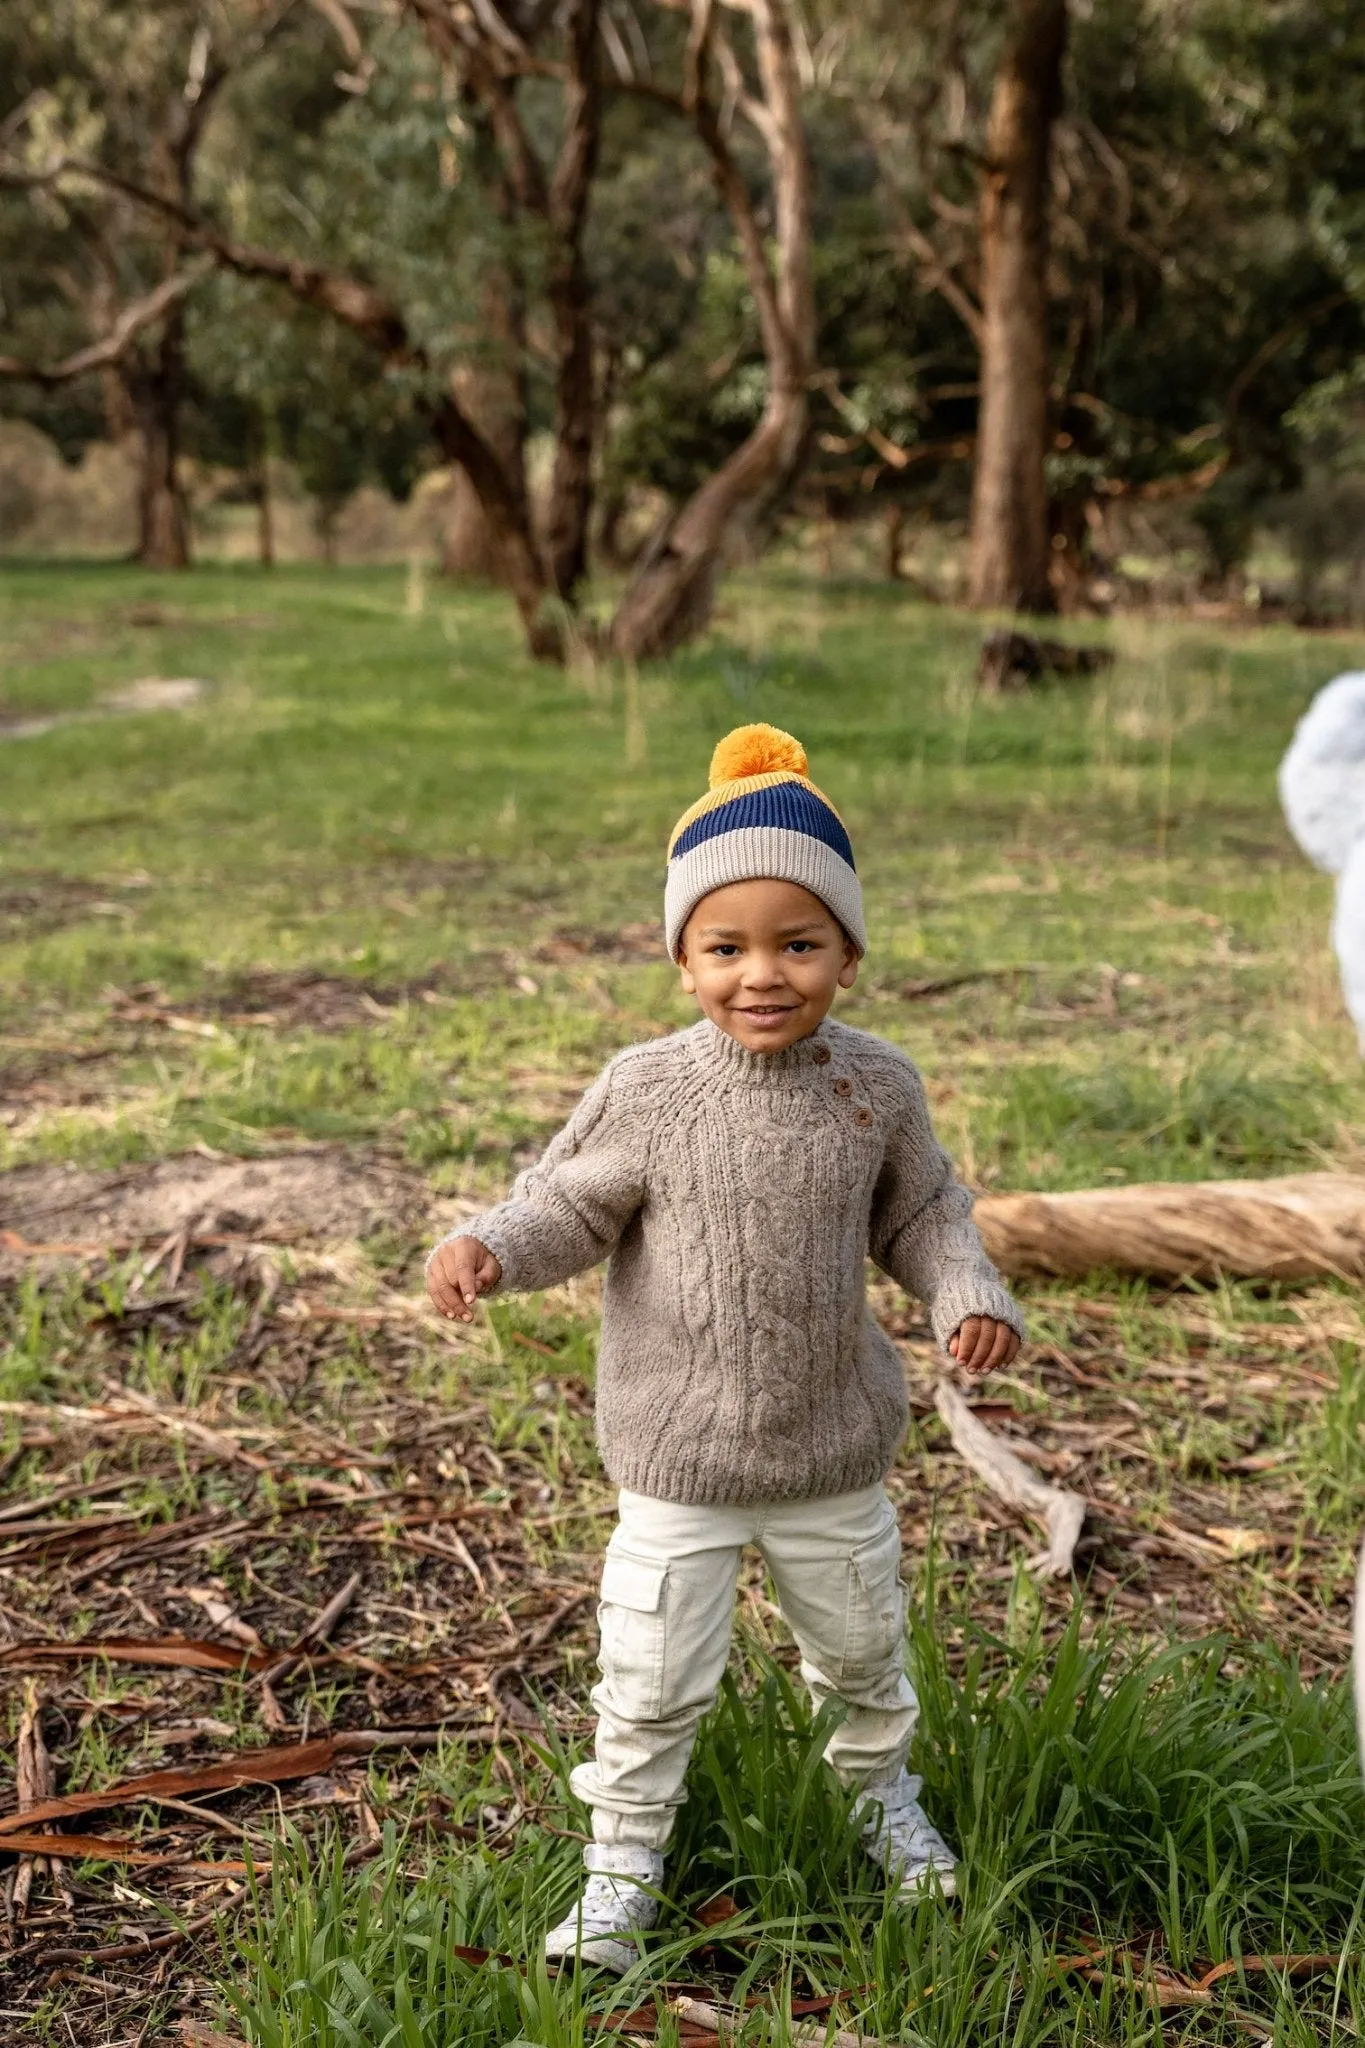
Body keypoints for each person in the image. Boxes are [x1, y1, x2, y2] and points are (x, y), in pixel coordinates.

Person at [426, 723, 1024, 1971]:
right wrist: (493, 1243)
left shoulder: (877, 1087)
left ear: (849, 954)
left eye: (799, 942)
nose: (764, 972)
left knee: (863, 1654)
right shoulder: (648, 1088)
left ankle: (883, 1805)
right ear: (683, 957)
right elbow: (568, 1202)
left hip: (831, 1447)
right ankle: (623, 1862)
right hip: (677, 1456)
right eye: (726, 945)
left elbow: (924, 1215)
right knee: (648, 1671)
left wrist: (967, 1291)